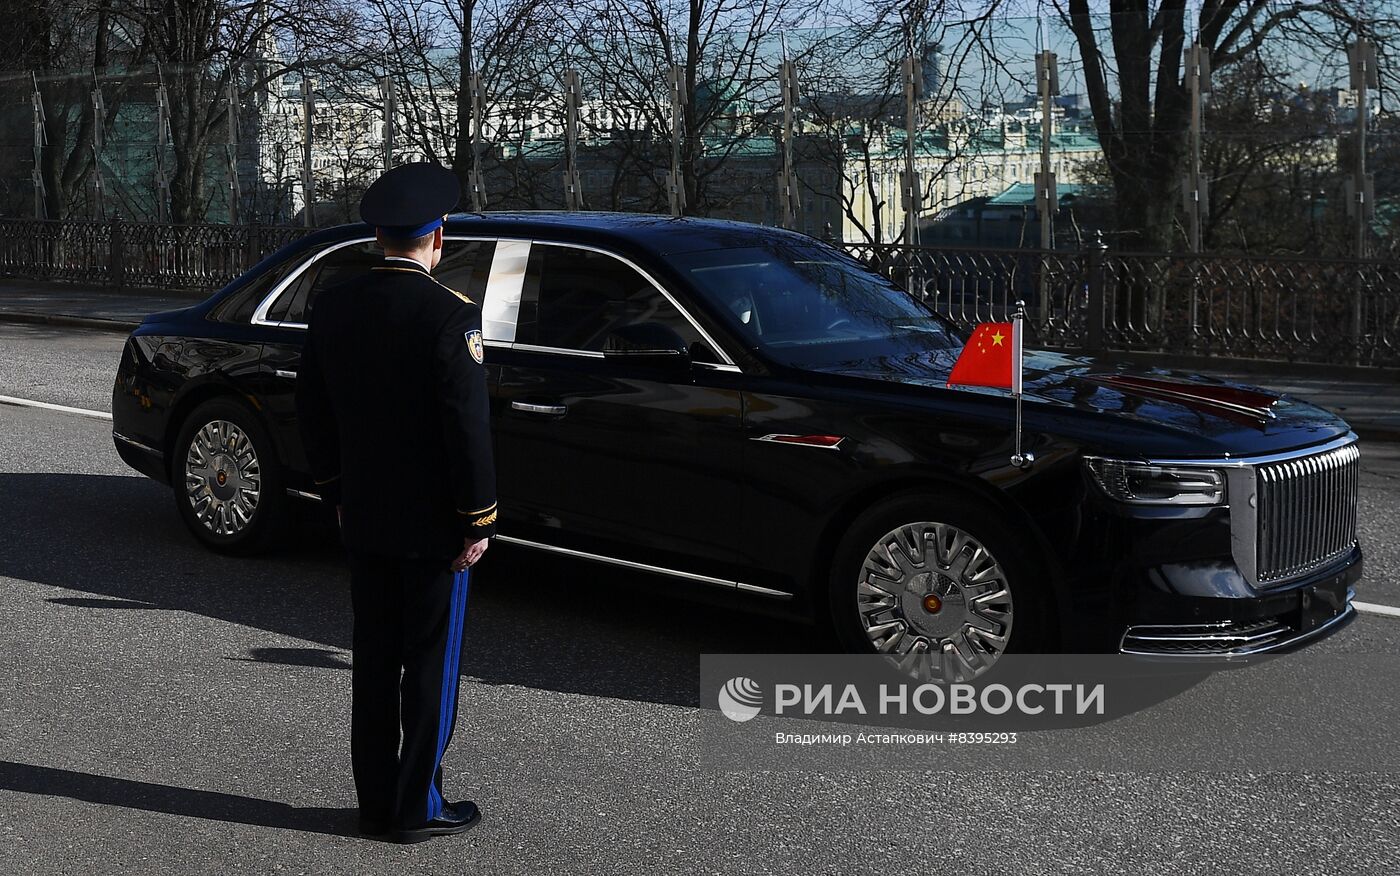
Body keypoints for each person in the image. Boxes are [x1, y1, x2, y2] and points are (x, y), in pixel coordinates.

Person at [295, 162, 496, 844]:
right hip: (435, 527)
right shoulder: (451, 317)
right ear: (437, 237)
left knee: (375, 664)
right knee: (430, 668)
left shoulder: (333, 306)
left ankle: (376, 799)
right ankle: (419, 807)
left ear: (378, 235)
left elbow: (314, 414)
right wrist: (478, 517)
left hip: (366, 517)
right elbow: (465, 430)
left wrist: (337, 493)